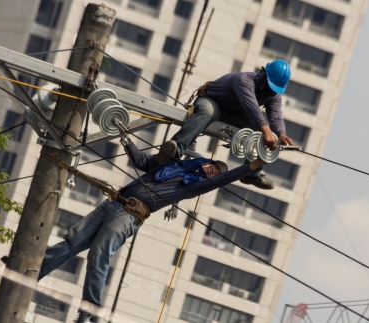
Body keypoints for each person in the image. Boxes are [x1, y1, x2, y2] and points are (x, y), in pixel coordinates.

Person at [37, 138, 266, 322]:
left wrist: (252, 166)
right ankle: (30, 270)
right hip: (113, 203)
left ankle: (89, 310)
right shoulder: (170, 165)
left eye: (215, 172)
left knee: (98, 254)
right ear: (204, 161)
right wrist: (125, 137)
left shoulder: (193, 185)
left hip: (129, 214)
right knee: (72, 241)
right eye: (212, 165)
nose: (211, 171)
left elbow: (225, 178)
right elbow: (142, 161)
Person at [157, 59, 295, 190]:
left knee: (258, 131)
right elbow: (251, 106)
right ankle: (174, 151)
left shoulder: (273, 96)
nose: (270, 91)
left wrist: (281, 133)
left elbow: (276, 116)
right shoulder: (244, 80)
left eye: (274, 89)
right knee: (208, 112)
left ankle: (251, 175)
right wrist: (266, 130)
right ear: (263, 74)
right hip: (213, 102)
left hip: (234, 114)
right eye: (270, 86)